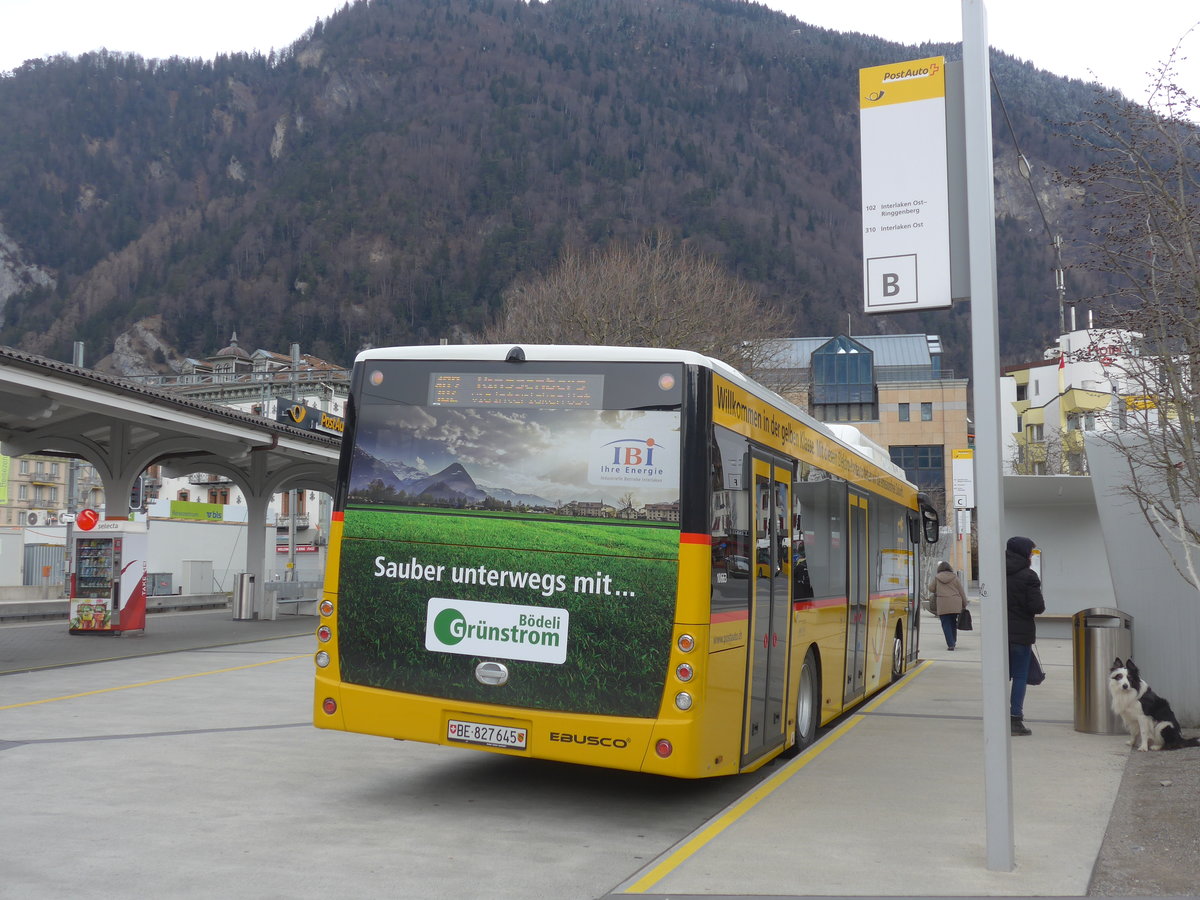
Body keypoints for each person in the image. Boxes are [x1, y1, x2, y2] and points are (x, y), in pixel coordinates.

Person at [1006, 535, 1045, 736]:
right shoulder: (1029, 576)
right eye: (1030, 552)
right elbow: (1038, 607)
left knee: (1000, 675)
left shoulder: (996, 572)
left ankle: (997, 715)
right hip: (1021, 636)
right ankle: (1015, 719)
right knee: (1020, 676)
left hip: (999, 635)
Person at [927, 561, 969, 651]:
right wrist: (964, 604)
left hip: (943, 604)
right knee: (953, 623)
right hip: (955, 603)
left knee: (946, 624)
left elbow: (931, 588)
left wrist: (938, 590)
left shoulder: (937, 578)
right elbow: (961, 591)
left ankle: (951, 644)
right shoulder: (955, 577)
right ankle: (953, 641)